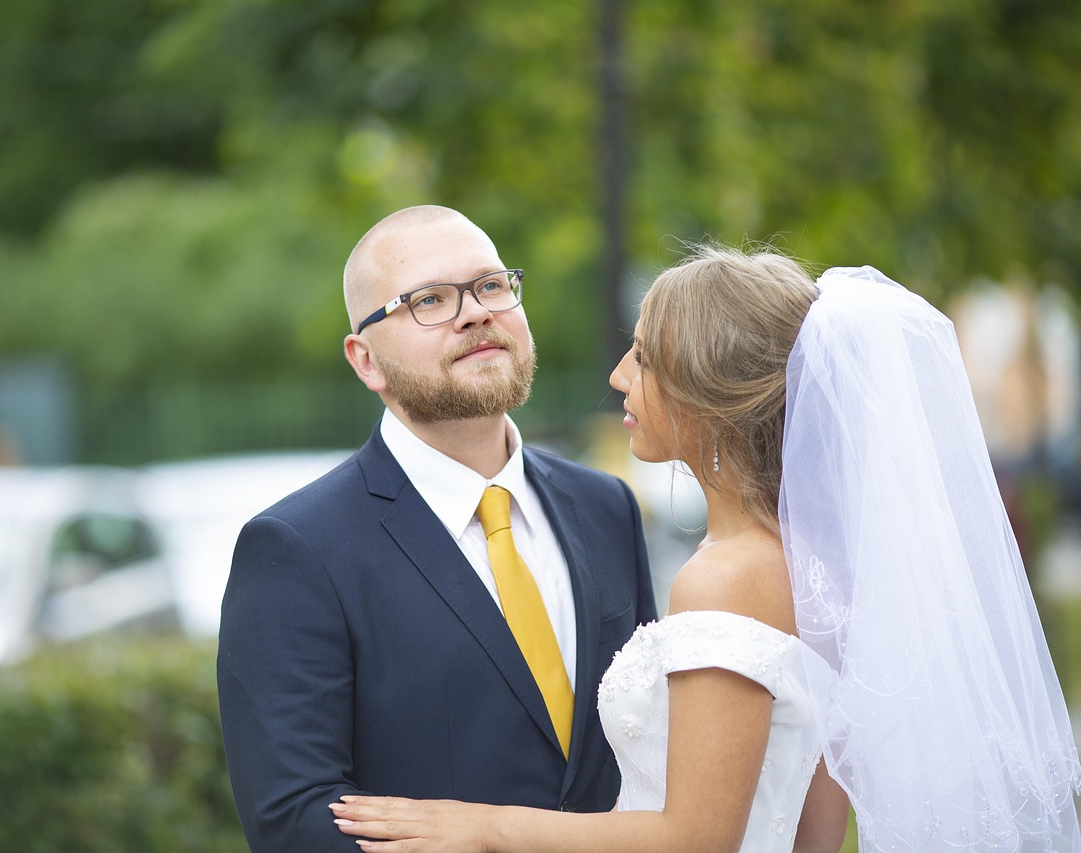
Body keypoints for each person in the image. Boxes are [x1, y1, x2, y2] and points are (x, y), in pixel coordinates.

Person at [331, 247, 1081, 852]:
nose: (619, 375)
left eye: (646, 358)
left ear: (706, 389)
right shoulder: (810, 566)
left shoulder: (724, 578)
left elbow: (694, 836)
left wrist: (481, 827)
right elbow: (816, 832)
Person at [218, 204, 657, 852]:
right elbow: (295, 822)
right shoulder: (297, 549)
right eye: (427, 299)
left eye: (490, 285)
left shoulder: (607, 507)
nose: (476, 311)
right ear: (365, 360)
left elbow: (650, 748)